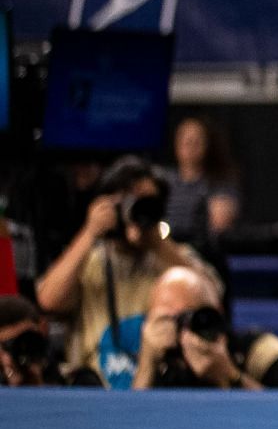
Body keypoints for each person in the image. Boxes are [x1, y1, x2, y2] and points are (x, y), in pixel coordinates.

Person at [34, 159, 219, 389]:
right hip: (95, 391)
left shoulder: (174, 258)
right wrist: (90, 232)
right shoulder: (88, 260)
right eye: (131, 201)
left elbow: (211, 302)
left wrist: (156, 240)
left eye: (148, 202)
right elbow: (48, 301)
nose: (138, 208)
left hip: (163, 389)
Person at [134, 266, 278, 390]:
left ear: (218, 311)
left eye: (195, 317)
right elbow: (130, 425)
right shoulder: (154, 361)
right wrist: (147, 363)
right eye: (168, 320)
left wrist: (229, 376)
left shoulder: (256, 351)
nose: (184, 333)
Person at [166, 116, 241, 245]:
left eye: (196, 141)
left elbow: (220, 225)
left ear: (207, 145)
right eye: (186, 141)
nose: (190, 148)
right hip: (165, 249)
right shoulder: (163, 180)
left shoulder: (220, 182)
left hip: (201, 250)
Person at [0, 295, 101, 387]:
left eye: (29, 341)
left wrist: (39, 384)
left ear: (43, 328)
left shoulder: (79, 381)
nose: (21, 351)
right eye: (8, 345)